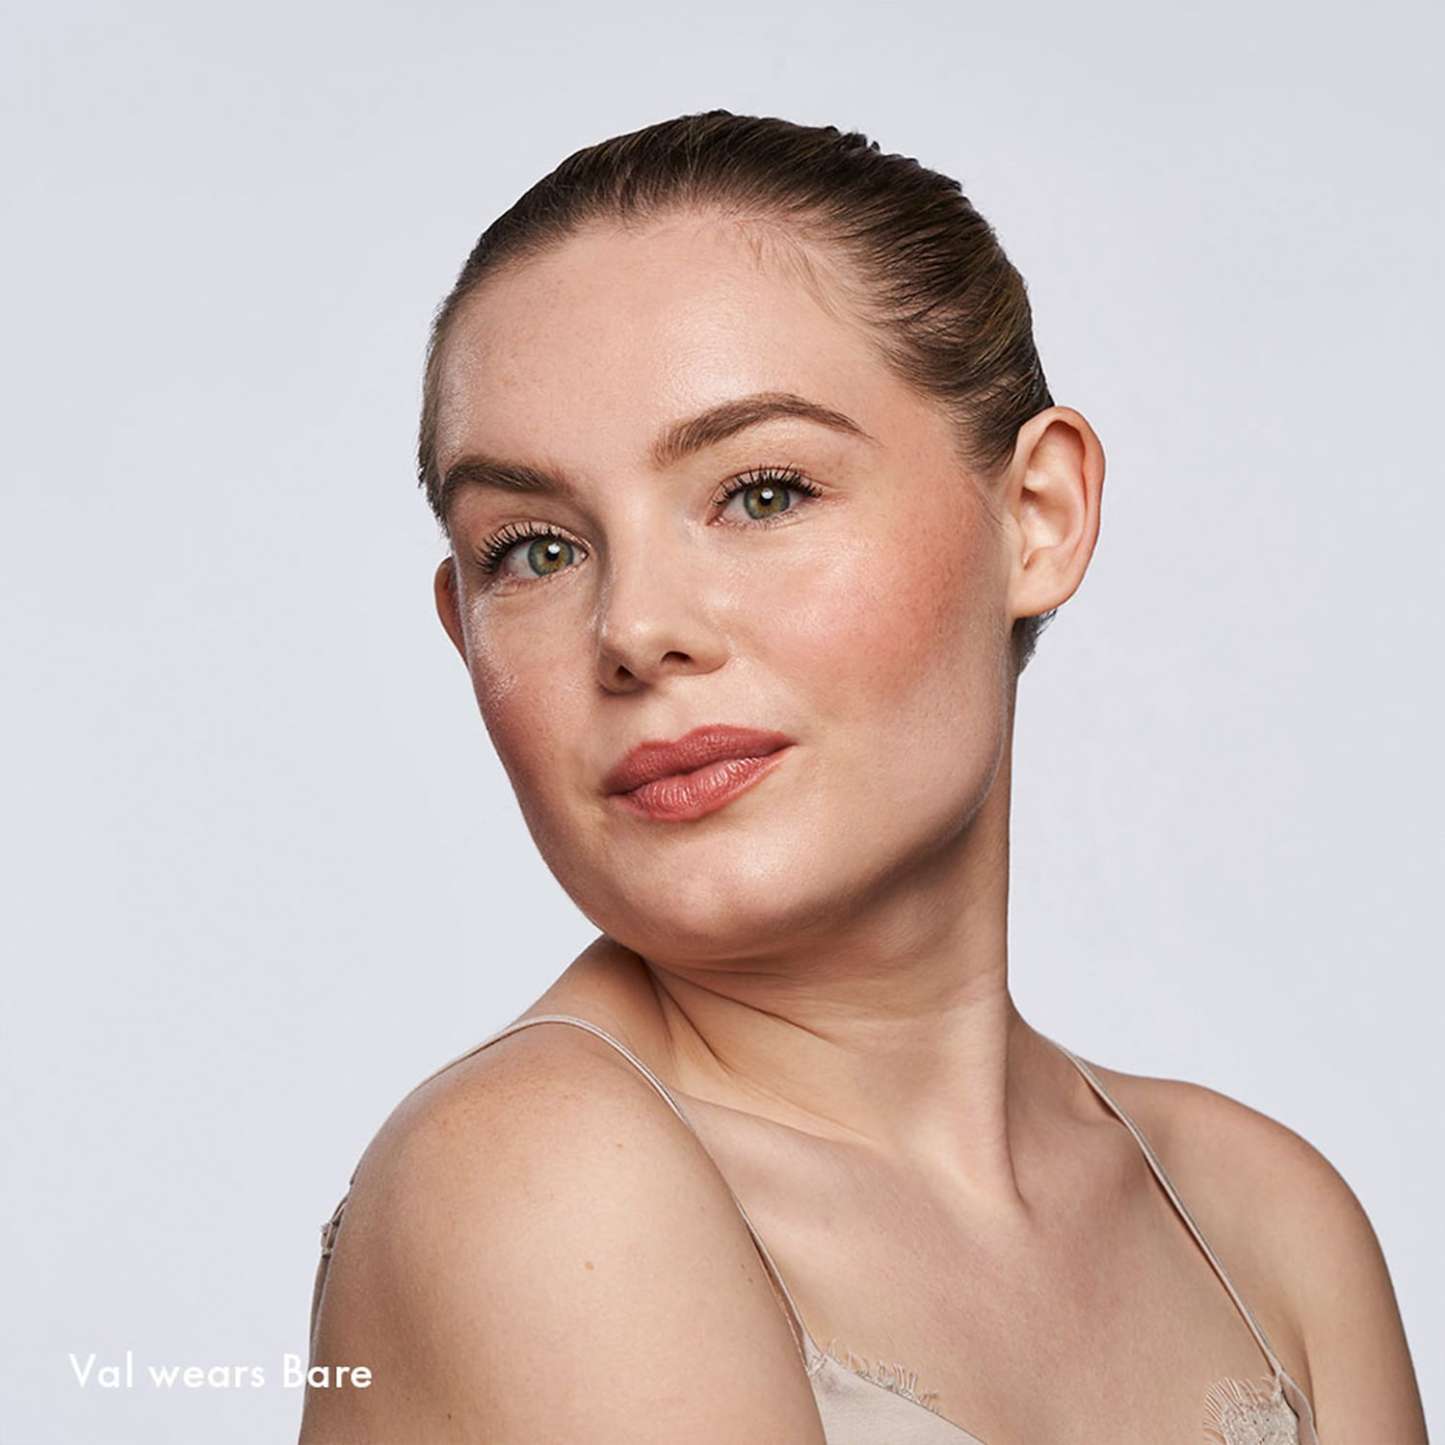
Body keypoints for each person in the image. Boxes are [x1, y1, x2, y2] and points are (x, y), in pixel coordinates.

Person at [299, 111, 1426, 1444]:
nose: (636, 628)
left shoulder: (1265, 1220)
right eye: (535, 550)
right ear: (462, 626)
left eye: (762, 492)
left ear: (1037, 517)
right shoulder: (535, 1177)